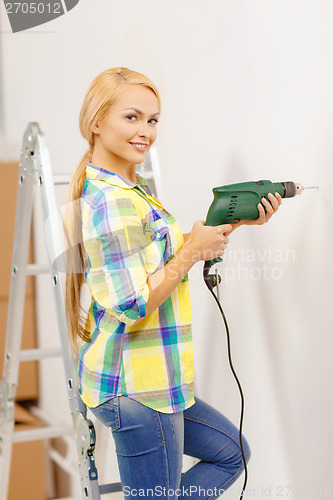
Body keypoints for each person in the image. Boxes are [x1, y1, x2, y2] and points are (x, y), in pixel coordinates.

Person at [65, 67, 282, 499]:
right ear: (96, 122)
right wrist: (189, 252)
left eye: (153, 120)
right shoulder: (112, 203)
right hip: (136, 389)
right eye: (132, 117)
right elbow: (132, 304)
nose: (145, 131)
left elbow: (155, 262)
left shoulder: (132, 188)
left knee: (231, 452)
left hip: (156, 380)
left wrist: (230, 223)